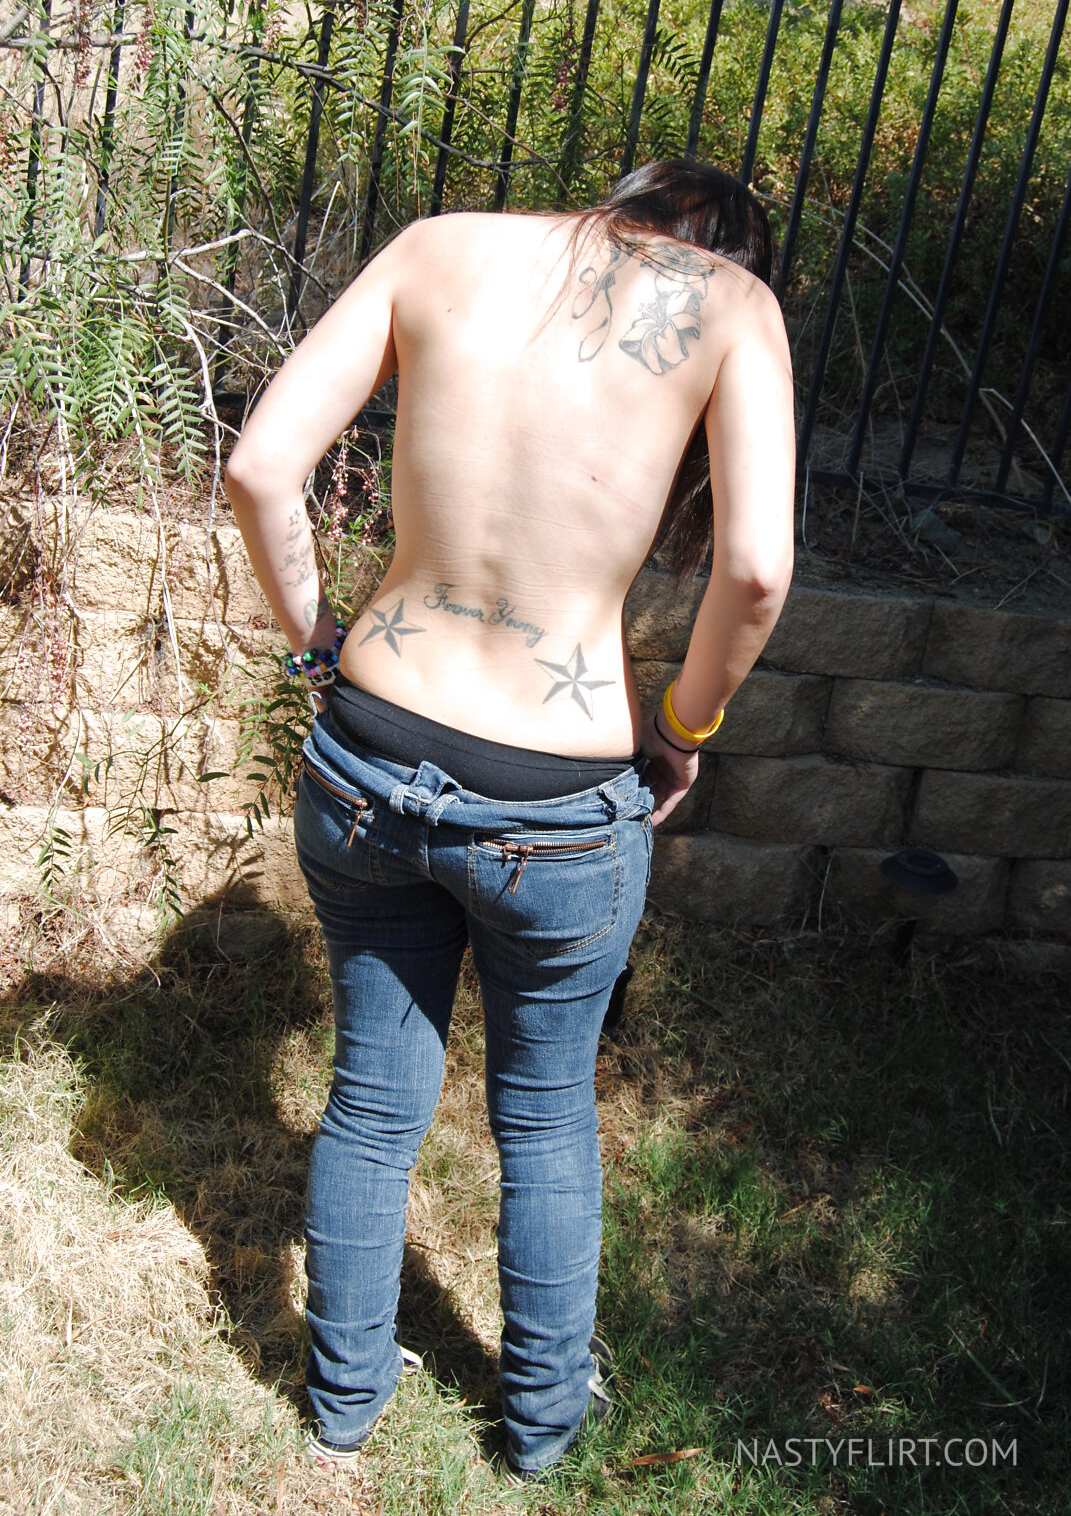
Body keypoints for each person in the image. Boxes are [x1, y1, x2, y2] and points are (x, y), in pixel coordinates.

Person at [224, 158, 796, 1480]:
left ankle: (342, 1399)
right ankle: (541, 1427)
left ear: (618, 199)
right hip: (558, 796)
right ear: (728, 247)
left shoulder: (440, 246)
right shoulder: (735, 306)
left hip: (369, 752)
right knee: (544, 1119)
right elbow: (758, 569)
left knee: (372, 1102)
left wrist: (314, 641)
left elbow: (259, 468)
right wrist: (686, 727)